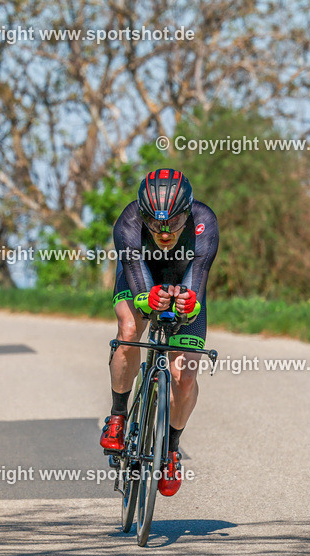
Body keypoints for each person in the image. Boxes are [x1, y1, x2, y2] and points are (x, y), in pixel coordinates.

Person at [100, 168, 219, 496]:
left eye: (173, 224)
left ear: (187, 212)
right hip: (140, 279)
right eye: (154, 224)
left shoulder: (204, 221)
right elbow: (135, 273)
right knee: (128, 328)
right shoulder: (128, 222)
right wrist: (147, 299)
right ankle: (118, 416)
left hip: (184, 284)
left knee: (185, 376)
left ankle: (170, 450)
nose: (164, 232)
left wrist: (187, 304)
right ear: (142, 215)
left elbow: (198, 278)